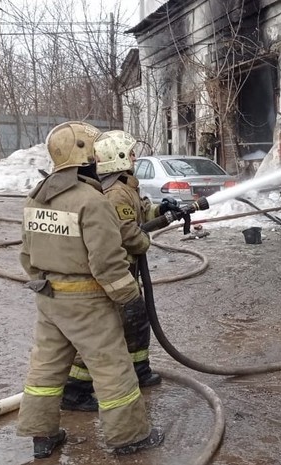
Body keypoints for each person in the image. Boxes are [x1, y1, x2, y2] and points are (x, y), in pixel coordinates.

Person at [17, 121, 164, 459]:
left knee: (46, 368)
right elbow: (107, 261)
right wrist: (129, 299)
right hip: (87, 300)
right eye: (96, 150)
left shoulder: (37, 196)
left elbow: (26, 255)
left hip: (48, 298)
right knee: (112, 368)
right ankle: (129, 437)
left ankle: (42, 436)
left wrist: (49, 280)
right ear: (84, 154)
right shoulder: (91, 200)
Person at [60, 130, 162, 412]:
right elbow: (128, 232)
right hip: (117, 270)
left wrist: (161, 210)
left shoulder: (124, 185)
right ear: (117, 158)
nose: (134, 157)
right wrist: (145, 242)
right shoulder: (116, 191)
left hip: (125, 268)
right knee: (106, 328)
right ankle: (75, 389)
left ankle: (139, 370)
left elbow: (140, 210)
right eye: (129, 153)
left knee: (136, 322)